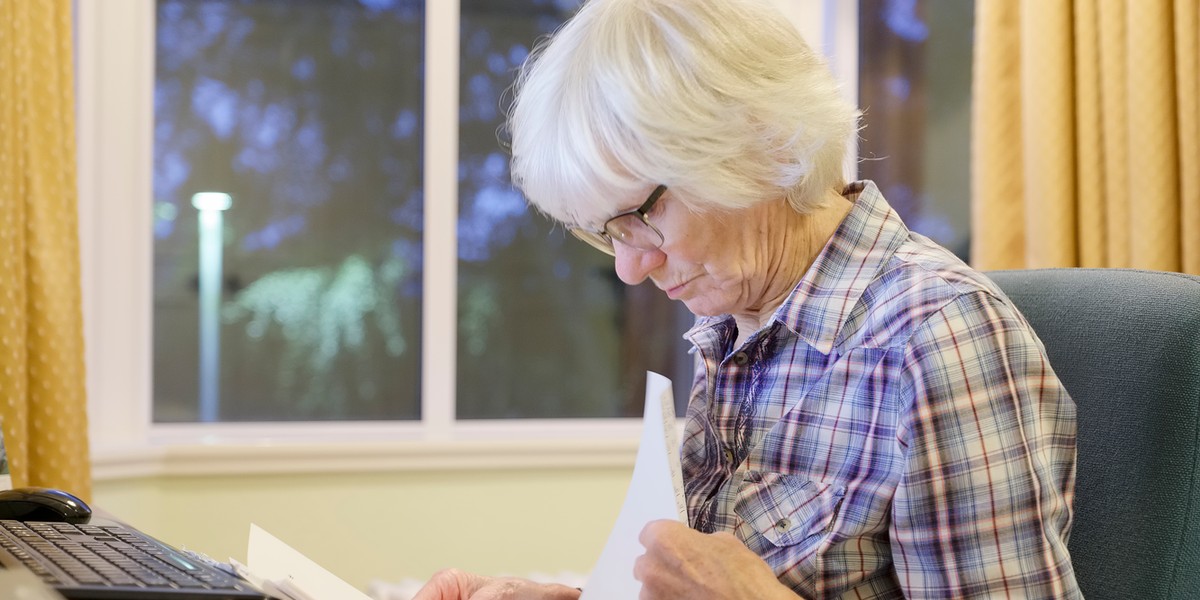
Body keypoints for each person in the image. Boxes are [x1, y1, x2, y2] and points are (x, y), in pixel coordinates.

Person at [415, 0, 1080, 597]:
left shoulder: (935, 338)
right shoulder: (739, 330)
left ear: (758, 146)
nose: (627, 267)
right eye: (606, 234)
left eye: (640, 217)